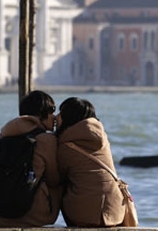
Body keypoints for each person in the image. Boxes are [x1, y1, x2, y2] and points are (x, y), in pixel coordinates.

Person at [0, 90, 61, 227]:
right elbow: (54, 178)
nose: (54, 117)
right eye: (51, 111)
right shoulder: (46, 140)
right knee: (59, 182)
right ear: (41, 113)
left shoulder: (5, 137)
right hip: (35, 215)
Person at [56, 97, 125, 227]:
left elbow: (57, 177)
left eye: (60, 113)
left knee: (59, 184)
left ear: (68, 117)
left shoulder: (65, 145)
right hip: (115, 212)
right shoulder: (103, 139)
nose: (56, 117)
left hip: (83, 215)